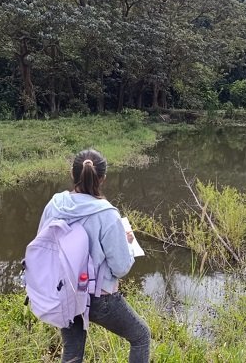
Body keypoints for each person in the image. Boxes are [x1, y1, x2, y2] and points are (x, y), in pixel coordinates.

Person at [37, 149, 151, 363]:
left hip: (65, 293)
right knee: (141, 337)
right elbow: (120, 268)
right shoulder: (107, 214)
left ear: (72, 173)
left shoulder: (54, 204)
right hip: (99, 299)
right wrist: (126, 244)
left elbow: (43, 246)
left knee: (72, 352)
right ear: (103, 179)